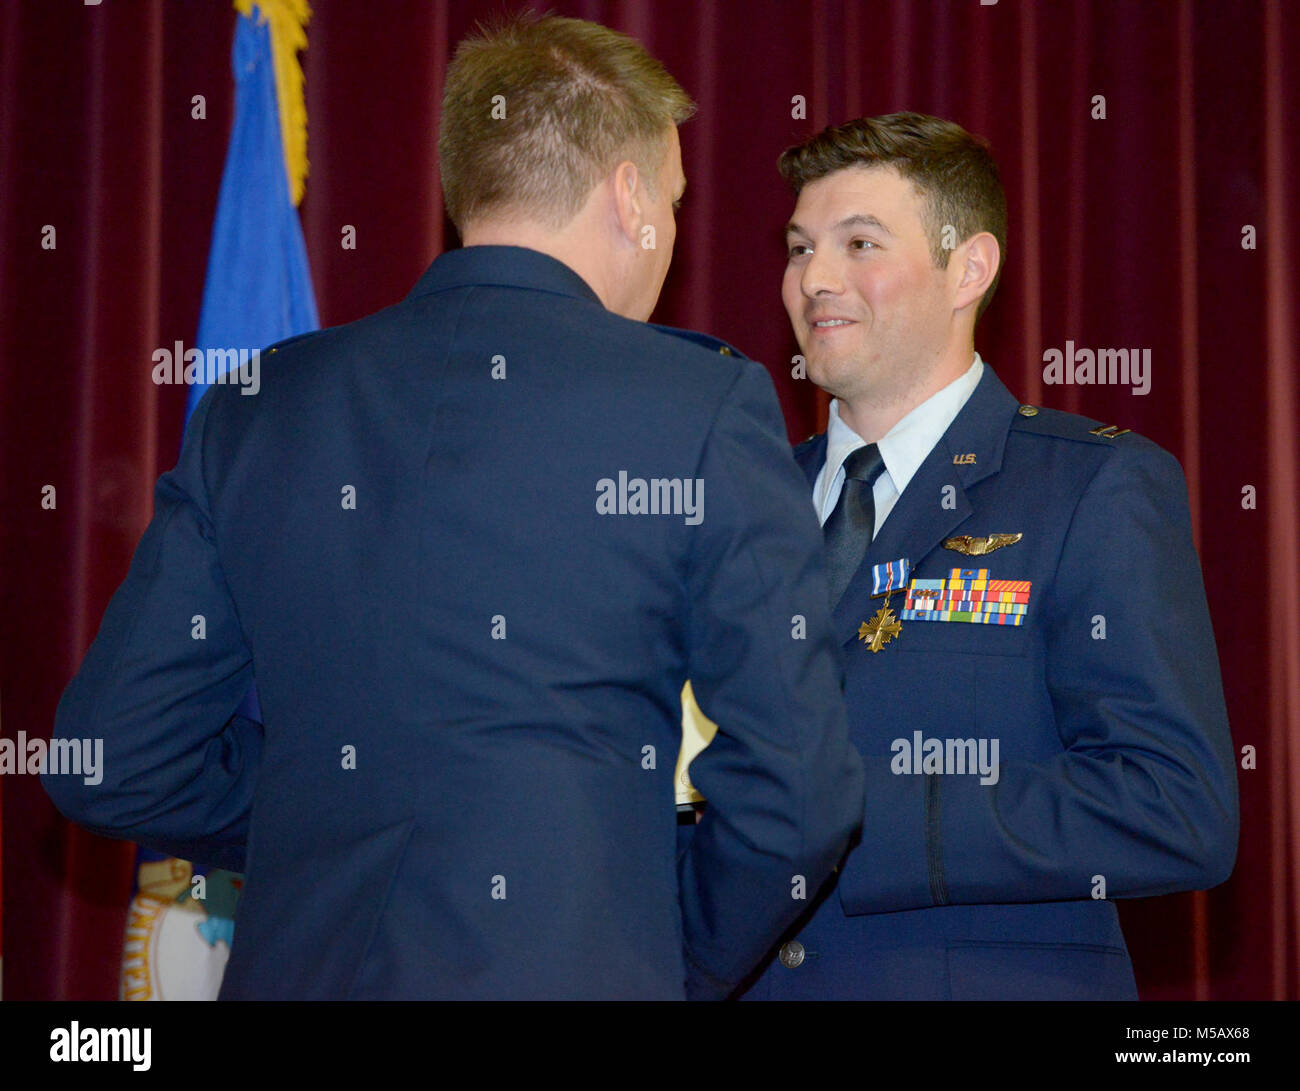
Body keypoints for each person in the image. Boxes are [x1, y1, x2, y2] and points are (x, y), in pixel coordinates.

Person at [43, 13, 863, 1001]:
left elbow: (111, 758)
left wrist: (327, 805)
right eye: (677, 202)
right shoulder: (698, 402)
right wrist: (654, 950)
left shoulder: (259, 407)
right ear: (630, 193)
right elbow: (800, 789)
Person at [739, 112, 1238, 1000]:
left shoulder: (1091, 486)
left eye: (859, 243)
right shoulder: (739, 505)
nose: (815, 278)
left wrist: (860, 824)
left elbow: (1177, 807)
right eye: (798, 247)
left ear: (968, 268)